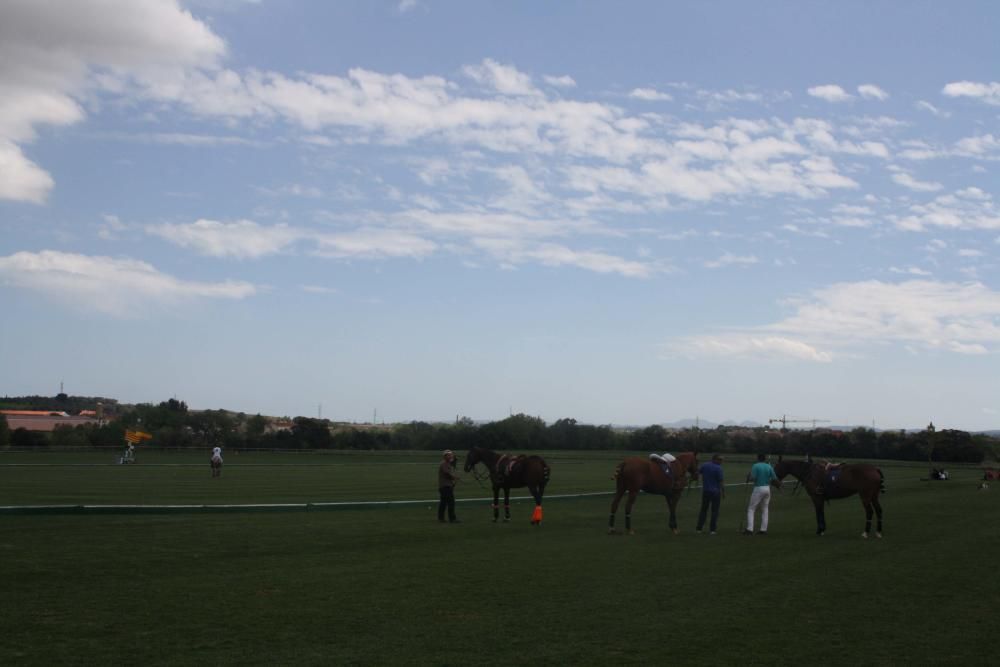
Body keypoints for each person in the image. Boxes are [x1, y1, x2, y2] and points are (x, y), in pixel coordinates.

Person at [745, 453, 778, 535]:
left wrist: (748, 477)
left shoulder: (755, 466)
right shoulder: (769, 466)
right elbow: (774, 478)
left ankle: (749, 529)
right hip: (767, 488)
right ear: (765, 459)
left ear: (758, 458)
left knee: (751, 509)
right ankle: (763, 530)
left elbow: (753, 478)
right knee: (765, 509)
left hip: (758, 488)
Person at [696, 454, 725, 534]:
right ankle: (712, 530)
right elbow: (721, 481)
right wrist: (723, 492)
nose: (721, 462)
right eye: (720, 460)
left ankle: (699, 528)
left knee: (703, 510)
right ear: (715, 459)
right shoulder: (718, 468)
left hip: (706, 491)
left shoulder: (704, 465)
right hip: (715, 492)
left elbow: (698, 472)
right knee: (714, 511)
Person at [437, 450, 460, 523]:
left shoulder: (448, 464)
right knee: (451, 502)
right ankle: (452, 519)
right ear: (445, 456)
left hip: (445, 486)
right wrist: (454, 478)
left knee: (443, 503)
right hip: (445, 486)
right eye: (449, 455)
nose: (451, 456)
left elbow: (453, 463)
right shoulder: (444, 464)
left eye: (451, 455)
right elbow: (447, 474)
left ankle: (441, 518)